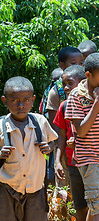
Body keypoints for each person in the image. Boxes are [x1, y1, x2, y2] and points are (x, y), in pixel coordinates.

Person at [0, 77, 57, 220]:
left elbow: (53, 142)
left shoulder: (40, 122)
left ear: (33, 100)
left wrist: (48, 147)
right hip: (7, 188)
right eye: (14, 100)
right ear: (4, 101)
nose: (21, 105)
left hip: (35, 189)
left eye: (26, 100)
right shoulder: (1, 125)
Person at [65, 53, 99, 221]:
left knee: (98, 206)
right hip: (89, 161)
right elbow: (82, 131)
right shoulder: (76, 96)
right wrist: (98, 101)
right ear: (88, 75)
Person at [53, 65, 90, 221]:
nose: (66, 88)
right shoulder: (64, 106)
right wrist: (57, 161)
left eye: (70, 83)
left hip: (93, 161)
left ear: (82, 82)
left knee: (96, 202)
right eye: (64, 85)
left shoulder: (94, 104)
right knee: (79, 204)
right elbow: (61, 136)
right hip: (73, 163)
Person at [46, 46, 84, 186]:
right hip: (65, 148)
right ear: (62, 66)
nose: (79, 66)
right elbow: (55, 128)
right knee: (65, 187)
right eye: (74, 63)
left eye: (81, 63)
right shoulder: (56, 92)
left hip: (87, 151)